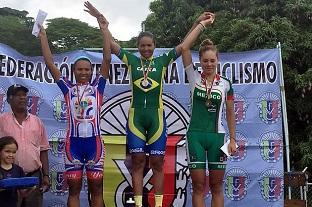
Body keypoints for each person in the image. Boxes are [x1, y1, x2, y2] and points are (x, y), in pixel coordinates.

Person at [84, 2, 212, 207]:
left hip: (157, 120)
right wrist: (103, 24)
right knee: (137, 163)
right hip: (135, 119)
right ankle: (138, 204)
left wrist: (200, 24)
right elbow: (112, 45)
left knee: (158, 163)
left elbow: (184, 45)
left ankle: (159, 204)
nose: (145, 48)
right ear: (138, 46)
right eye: (142, 45)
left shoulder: (162, 61)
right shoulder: (131, 61)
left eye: (149, 45)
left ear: (154, 46)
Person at [38, 12, 111, 207]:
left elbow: (106, 60)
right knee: (74, 190)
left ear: (92, 71)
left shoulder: (98, 88)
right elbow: (50, 63)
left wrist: (104, 29)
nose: (84, 72)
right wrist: (43, 37)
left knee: (96, 190)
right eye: (80, 69)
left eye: (87, 69)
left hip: (95, 145)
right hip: (73, 146)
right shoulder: (67, 89)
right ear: (74, 71)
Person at [181, 14, 237, 207]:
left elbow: (230, 113)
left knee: (216, 186)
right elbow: (184, 47)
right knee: (198, 186)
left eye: (212, 60)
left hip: (218, 137)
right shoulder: (193, 77)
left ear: (218, 60)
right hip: (195, 136)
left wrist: (233, 140)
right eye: (205, 61)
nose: (209, 64)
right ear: (200, 61)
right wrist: (199, 24)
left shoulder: (226, 84)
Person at [0, 84, 50, 207]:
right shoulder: (2, 121)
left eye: (24, 95)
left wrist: (46, 176)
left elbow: (43, 150)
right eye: (18, 95)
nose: (22, 98)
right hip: (8, 178)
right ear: (9, 99)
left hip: (33, 178)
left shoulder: (37, 122)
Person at [0, 136, 36, 207]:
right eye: (7, 151)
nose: (11, 155)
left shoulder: (18, 169)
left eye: (14, 152)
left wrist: (31, 188)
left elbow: (23, 194)